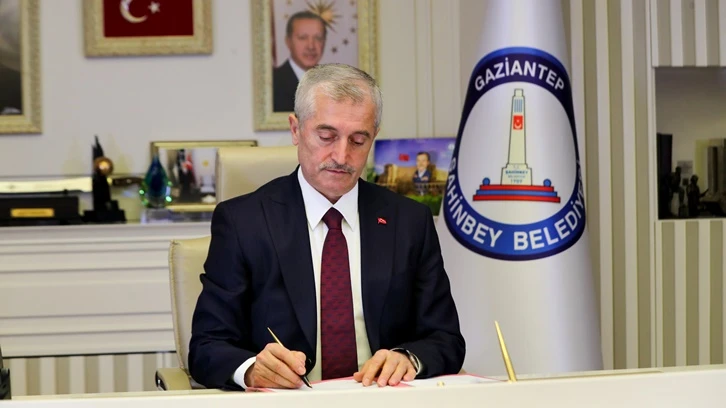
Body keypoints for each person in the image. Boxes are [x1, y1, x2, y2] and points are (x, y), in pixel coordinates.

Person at [189, 63, 465, 391]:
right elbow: (207, 346)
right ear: (295, 129)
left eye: (358, 140)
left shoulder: (409, 221)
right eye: (326, 136)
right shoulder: (243, 222)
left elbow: (445, 339)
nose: (342, 155)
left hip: (381, 399)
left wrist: (408, 358)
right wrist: (252, 370)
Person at [273, 11, 326, 112]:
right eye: (303, 38)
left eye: (318, 38)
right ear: (288, 42)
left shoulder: (332, 84)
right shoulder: (272, 84)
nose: (311, 46)